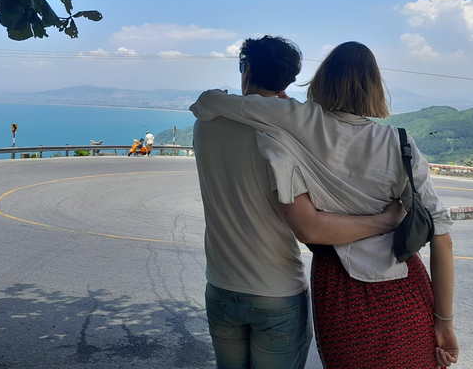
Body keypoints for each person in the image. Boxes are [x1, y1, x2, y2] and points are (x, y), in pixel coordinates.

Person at [191, 41, 459, 369]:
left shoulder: (302, 122)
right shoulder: (399, 145)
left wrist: (208, 99)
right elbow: (441, 237)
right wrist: (443, 322)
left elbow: (226, 105)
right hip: (402, 286)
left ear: (322, 80)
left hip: (337, 289)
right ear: (375, 87)